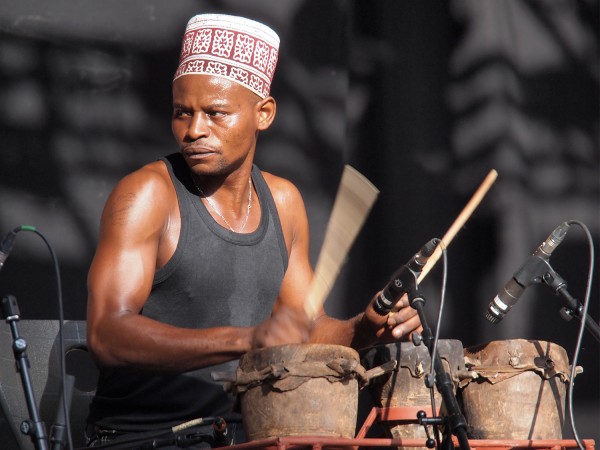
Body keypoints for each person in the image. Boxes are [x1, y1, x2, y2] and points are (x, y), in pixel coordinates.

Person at [85, 13, 421, 448]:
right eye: (181, 113)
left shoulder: (283, 203)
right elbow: (106, 334)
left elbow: (304, 330)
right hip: (145, 437)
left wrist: (365, 329)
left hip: (248, 435)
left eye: (215, 112)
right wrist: (246, 339)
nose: (194, 130)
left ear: (263, 113)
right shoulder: (146, 195)